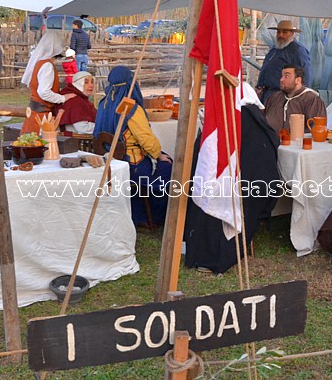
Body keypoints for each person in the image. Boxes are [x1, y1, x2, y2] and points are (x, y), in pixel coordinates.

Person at [184, 83, 281, 273]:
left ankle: (203, 248)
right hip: (245, 190)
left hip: (218, 191)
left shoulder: (223, 120)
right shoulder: (256, 122)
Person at [94, 66, 172, 226]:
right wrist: (158, 155)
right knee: (167, 166)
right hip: (130, 165)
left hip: (109, 162)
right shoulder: (130, 108)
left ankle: (136, 212)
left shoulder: (103, 104)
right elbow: (146, 140)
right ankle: (149, 216)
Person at [20, 30, 72, 134]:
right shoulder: (46, 66)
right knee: (38, 146)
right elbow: (44, 92)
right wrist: (62, 98)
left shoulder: (40, 63)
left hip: (36, 113)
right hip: (41, 115)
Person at [256, 20, 310, 103]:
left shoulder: (297, 51)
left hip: (282, 97)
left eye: (284, 32)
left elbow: (305, 76)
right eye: (278, 32)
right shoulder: (275, 49)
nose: (280, 35)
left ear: (292, 33)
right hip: (265, 95)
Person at [263, 65, 326, 133]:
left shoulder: (312, 100)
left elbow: (316, 129)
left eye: (286, 76)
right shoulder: (274, 98)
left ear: (298, 80)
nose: (281, 79)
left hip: (299, 142)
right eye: (282, 76)